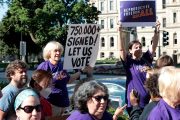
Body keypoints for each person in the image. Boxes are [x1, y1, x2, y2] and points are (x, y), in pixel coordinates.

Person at [37, 41, 93, 116]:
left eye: (59, 51)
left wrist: (81, 71)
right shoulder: (44, 66)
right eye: (55, 51)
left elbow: (69, 80)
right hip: (52, 105)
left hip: (64, 104)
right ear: (49, 52)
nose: (58, 53)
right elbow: (37, 86)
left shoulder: (61, 66)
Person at [118, 21, 160, 114]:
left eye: (140, 47)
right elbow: (121, 49)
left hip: (149, 102)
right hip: (134, 104)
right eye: (136, 47)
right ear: (130, 50)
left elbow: (153, 47)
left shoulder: (146, 60)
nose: (139, 48)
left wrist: (156, 31)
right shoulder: (129, 62)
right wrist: (119, 31)